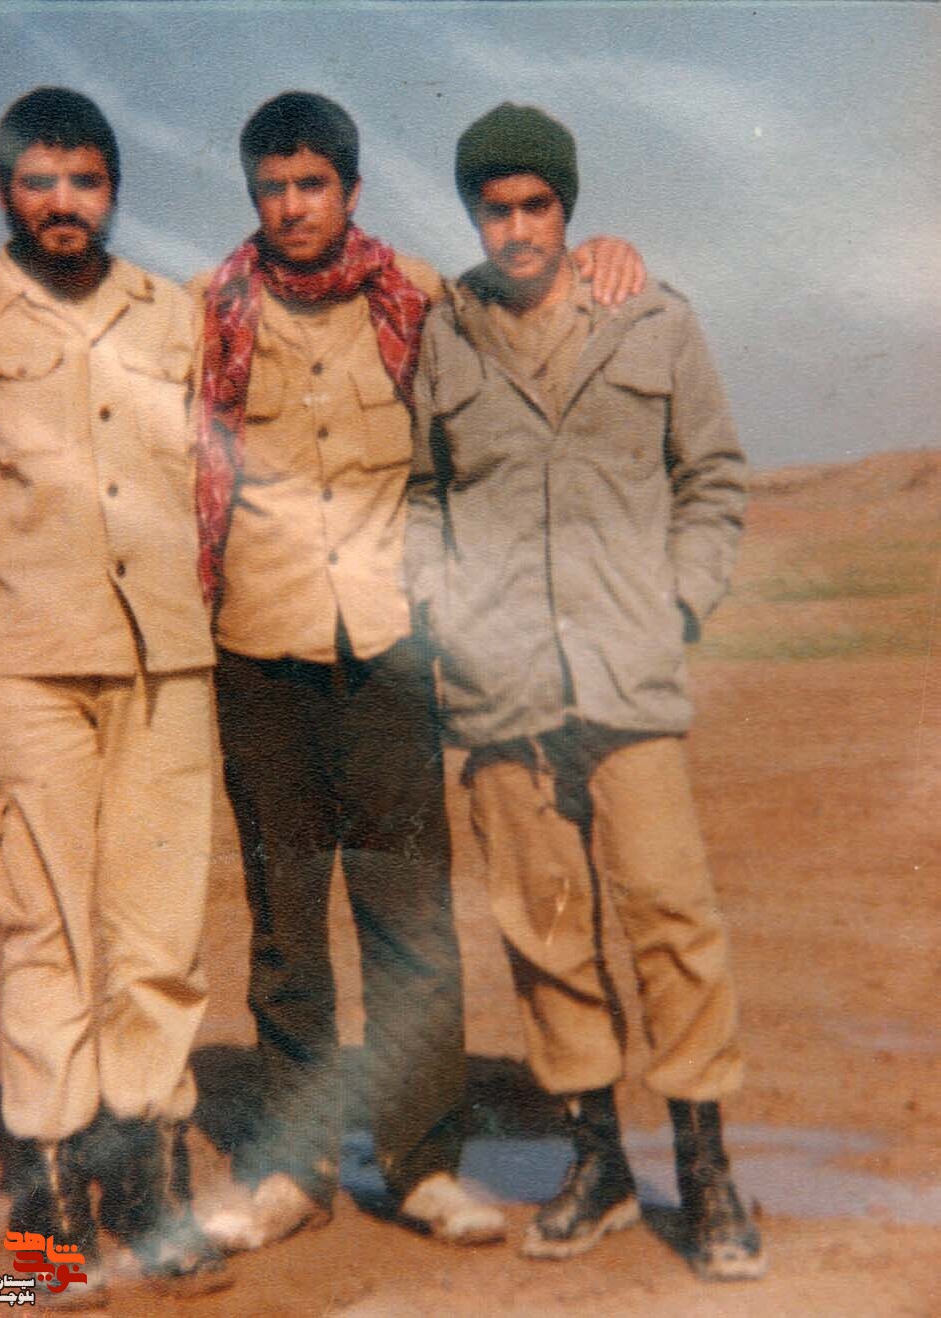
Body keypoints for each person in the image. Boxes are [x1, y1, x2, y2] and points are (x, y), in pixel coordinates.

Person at [191, 91, 647, 1253]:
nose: (292, 206)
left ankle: (424, 1164)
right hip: (258, 653)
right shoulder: (204, 312)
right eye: (272, 188)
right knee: (287, 928)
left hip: (392, 650)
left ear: (350, 191)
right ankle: (291, 1168)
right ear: (254, 197)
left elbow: (540, 301)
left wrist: (603, 253)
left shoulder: (427, 300)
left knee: (408, 918)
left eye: (313, 184)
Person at [406, 101, 765, 1281]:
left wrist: (678, 605)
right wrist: (445, 613)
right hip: (502, 689)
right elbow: (419, 497)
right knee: (546, 930)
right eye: (495, 208)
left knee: (671, 918)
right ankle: (597, 1159)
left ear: (568, 209)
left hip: (627, 677)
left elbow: (711, 478)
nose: (517, 228)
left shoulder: (652, 319)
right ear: (473, 213)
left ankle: (706, 1169)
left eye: (538, 205)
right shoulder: (442, 336)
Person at [0, 88, 228, 1298]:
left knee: (158, 933)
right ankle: (45, 1212)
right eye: (39, 181)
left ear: (114, 190)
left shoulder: (174, 312)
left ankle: (150, 1184)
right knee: (44, 924)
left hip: (165, 658)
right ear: (5, 192)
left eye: (84, 179)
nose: (63, 202)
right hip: (29, 658)